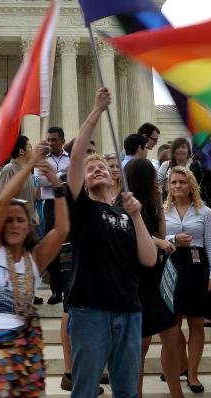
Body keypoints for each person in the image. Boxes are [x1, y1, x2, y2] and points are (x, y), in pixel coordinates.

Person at [0, 144, 69, 397]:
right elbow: (3, 199)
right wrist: (30, 165)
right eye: (9, 220)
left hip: (22, 355)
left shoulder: (34, 259)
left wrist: (58, 189)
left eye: (21, 220)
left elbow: (61, 231)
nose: (15, 224)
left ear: (29, 226)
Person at [64, 88, 158, 398]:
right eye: (91, 170)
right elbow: (77, 156)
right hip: (90, 310)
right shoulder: (83, 208)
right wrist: (96, 111)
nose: (96, 169)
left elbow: (148, 259)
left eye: (102, 167)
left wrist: (138, 217)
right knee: (87, 388)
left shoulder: (125, 213)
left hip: (128, 310)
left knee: (127, 390)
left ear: (115, 178)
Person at [125, 159, 184, 398]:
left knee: (171, 336)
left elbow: (161, 233)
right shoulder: (124, 205)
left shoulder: (150, 202)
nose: (155, 181)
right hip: (136, 283)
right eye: (151, 177)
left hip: (155, 281)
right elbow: (138, 238)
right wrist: (157, 241)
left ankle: (176, 393)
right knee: (139, 346)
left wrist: (159, 201)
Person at [163, 165, 211, 393]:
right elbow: (155, 237)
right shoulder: (163, 210)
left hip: (198, 266)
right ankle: (180, 363)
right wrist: (173, 237)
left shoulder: (204, 211)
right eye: (174, 182)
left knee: (196, 323)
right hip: (172, 265)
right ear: (169, 186)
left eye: (182, 182)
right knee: (173, 323)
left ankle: (193, 373)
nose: (178, 186)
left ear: (191, 185)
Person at [35, 126, 70, 304]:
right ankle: (56, 290)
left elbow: (71, 179)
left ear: (62, 141)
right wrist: (60, 175)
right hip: (50, 205)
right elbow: (39, 181)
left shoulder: (70, 158)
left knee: (69, 245)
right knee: (52, 246)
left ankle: (69, 287)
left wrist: (53, 177)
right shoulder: (42, 160)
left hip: (68, 204)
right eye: (48, 139)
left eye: (54, 140)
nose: (50, 143)